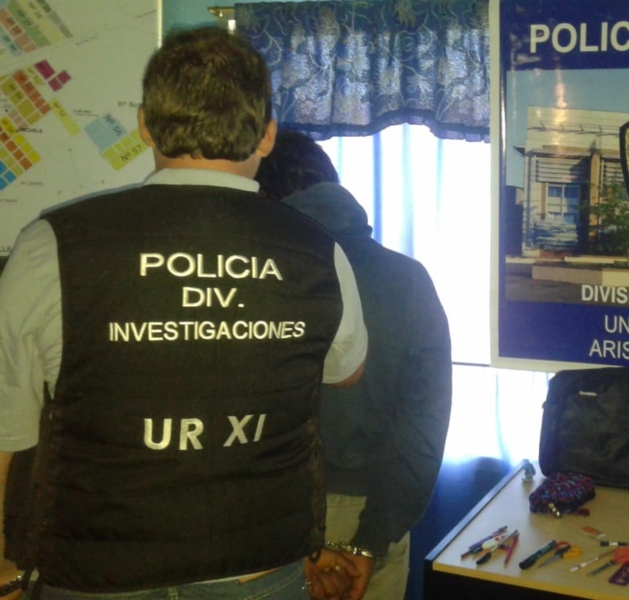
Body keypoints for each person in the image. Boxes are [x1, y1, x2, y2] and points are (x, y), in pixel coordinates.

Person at [0, 27, 370, 600]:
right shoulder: (319, 251)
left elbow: (8, 426)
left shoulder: (51, 245)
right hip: (254, 564)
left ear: (145, 125)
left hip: (98, 566)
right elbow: (346, 372)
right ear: (268, 136)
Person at [255, 131, 452, 600]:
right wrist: (371, 541)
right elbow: (423, 428)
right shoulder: (409, 278)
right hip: (380, 511)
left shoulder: (256, 273)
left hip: (279, 515)